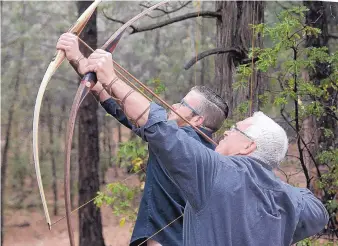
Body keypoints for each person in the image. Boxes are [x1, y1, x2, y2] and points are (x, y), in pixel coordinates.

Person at [69, 47, 329, 246]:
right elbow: (319, 213)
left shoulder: (208, 165)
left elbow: (154, 123)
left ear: (249, 147)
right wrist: (265, 183)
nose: (229, 130)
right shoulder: (292, 201)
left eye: (237, 129)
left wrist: (106, 76)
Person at [56, 33, 229, 246]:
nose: (174, 106)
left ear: (198, 120)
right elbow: (124, 110)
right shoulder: (211, 154)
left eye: (183, 105)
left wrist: (82, 60)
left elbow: (141, 115)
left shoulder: (180, 142)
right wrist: (82, 65)